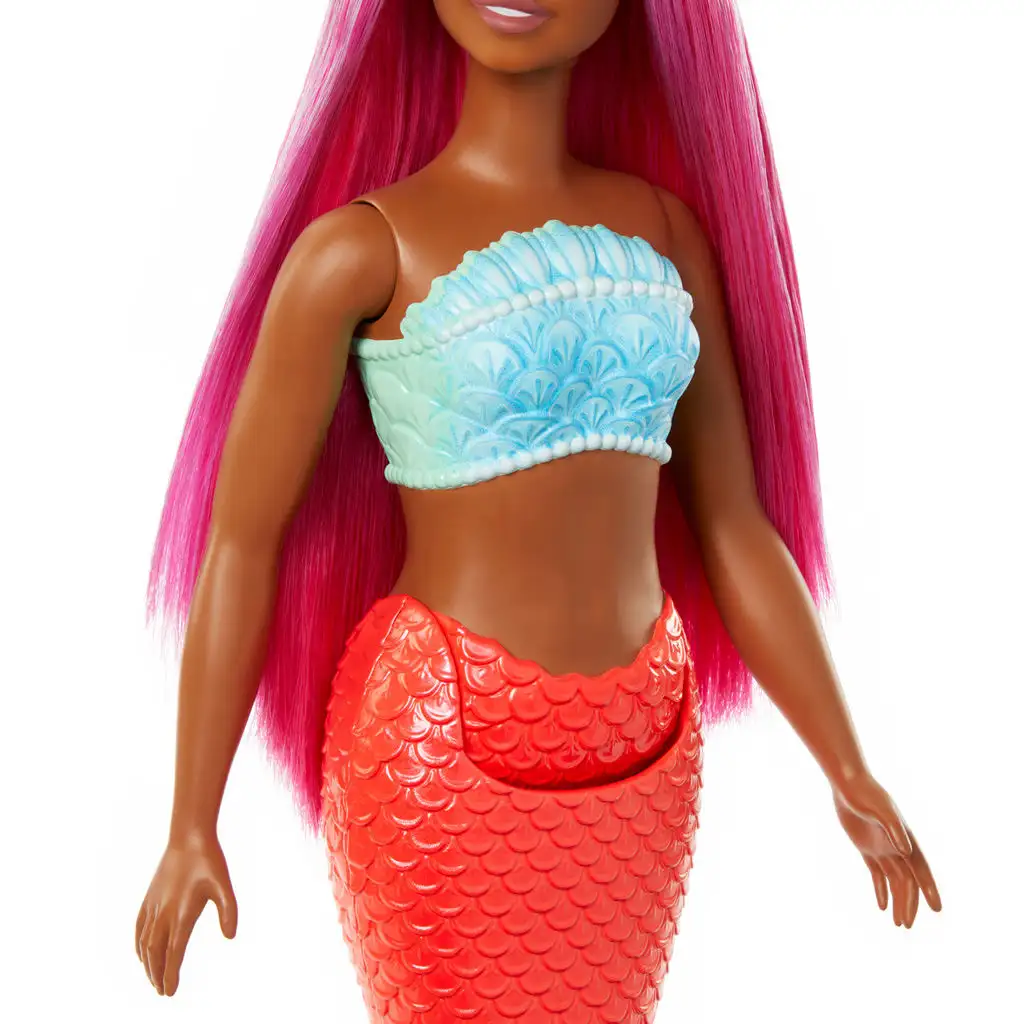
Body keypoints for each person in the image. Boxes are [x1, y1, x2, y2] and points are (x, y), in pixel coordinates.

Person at [135, 1, 942, 1018]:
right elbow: (242, 543)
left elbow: (735, 525)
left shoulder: (666, 234)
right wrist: (191, 823)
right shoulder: (361, 251)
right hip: (438, 742)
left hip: (645, 747)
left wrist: (847, 767)